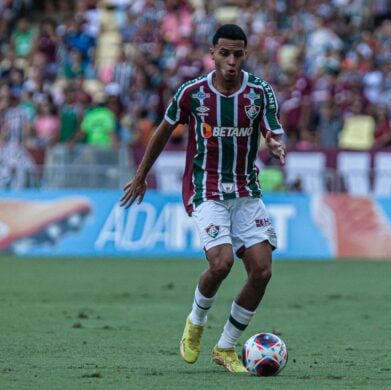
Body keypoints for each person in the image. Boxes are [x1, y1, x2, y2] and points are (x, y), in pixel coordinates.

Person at [120, 24, 286, 373]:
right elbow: (164, 130)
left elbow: (273, 128)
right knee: (221, 263)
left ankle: (225, 347)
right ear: (212, 54)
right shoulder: (192, 93)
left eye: (237, 53)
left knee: (262, 271)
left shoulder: (260, 92)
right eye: (224, 53)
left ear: (245, 54)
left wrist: (273, 141)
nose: (230, 60)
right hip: (206, 189)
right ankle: (195, 323)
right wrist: (140, 176)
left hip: (246, 191)